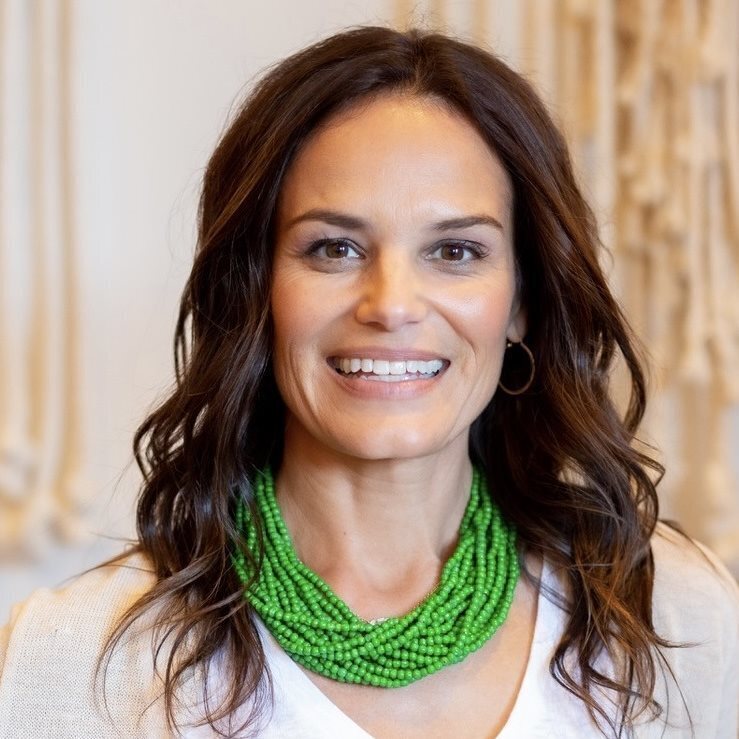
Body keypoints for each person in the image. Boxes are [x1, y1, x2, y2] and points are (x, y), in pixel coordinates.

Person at [0, 25, 737, 739]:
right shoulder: (66, 665)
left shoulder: (678, 615)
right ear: (256, 289)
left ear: (521, 302)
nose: (390, 305)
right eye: (334, 248)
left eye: (455, 250)